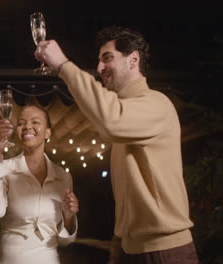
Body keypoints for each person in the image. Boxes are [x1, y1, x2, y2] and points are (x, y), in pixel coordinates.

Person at [35, 26, 198, 263]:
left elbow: (111, 119)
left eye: (107, 58)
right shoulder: (124, 110)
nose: (100, 68)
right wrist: (119, 244)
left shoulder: (156, 104)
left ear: (133, 59)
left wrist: (63, 65)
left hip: (165, 251)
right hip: (129, 250)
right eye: (99, 61)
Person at [0, 104, 79, 264]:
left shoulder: (63, 177)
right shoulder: (5, 167)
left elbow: (65, 241)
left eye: (35, 122)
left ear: (48, 132)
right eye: (21, 123)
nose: (27, 126)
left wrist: (69, 216)